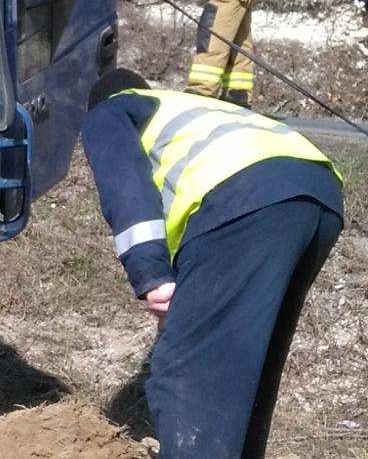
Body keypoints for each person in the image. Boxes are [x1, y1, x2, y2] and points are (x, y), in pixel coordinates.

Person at [83, 68, 344, 458]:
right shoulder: (190, 107)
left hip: (244, 197)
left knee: (188, 378)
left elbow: (126, 185)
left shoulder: (111, 111)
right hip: (318, 192)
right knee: (245, 367)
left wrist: (150, 273)